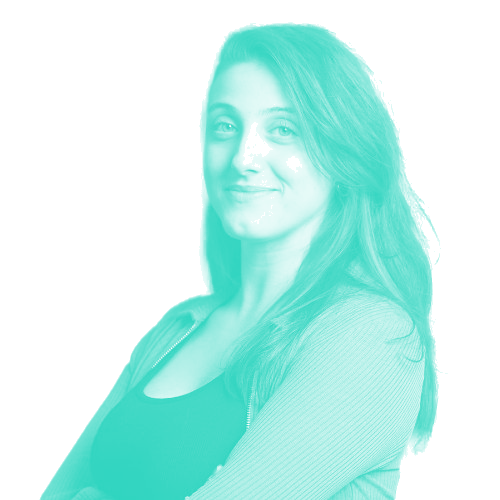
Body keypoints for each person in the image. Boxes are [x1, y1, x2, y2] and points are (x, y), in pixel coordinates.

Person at [42, 23, 438, 500]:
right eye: (225, 126)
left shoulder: (372, 335)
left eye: (284, 130)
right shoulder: (179, 327)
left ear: (343, 152)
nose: (242, 158)